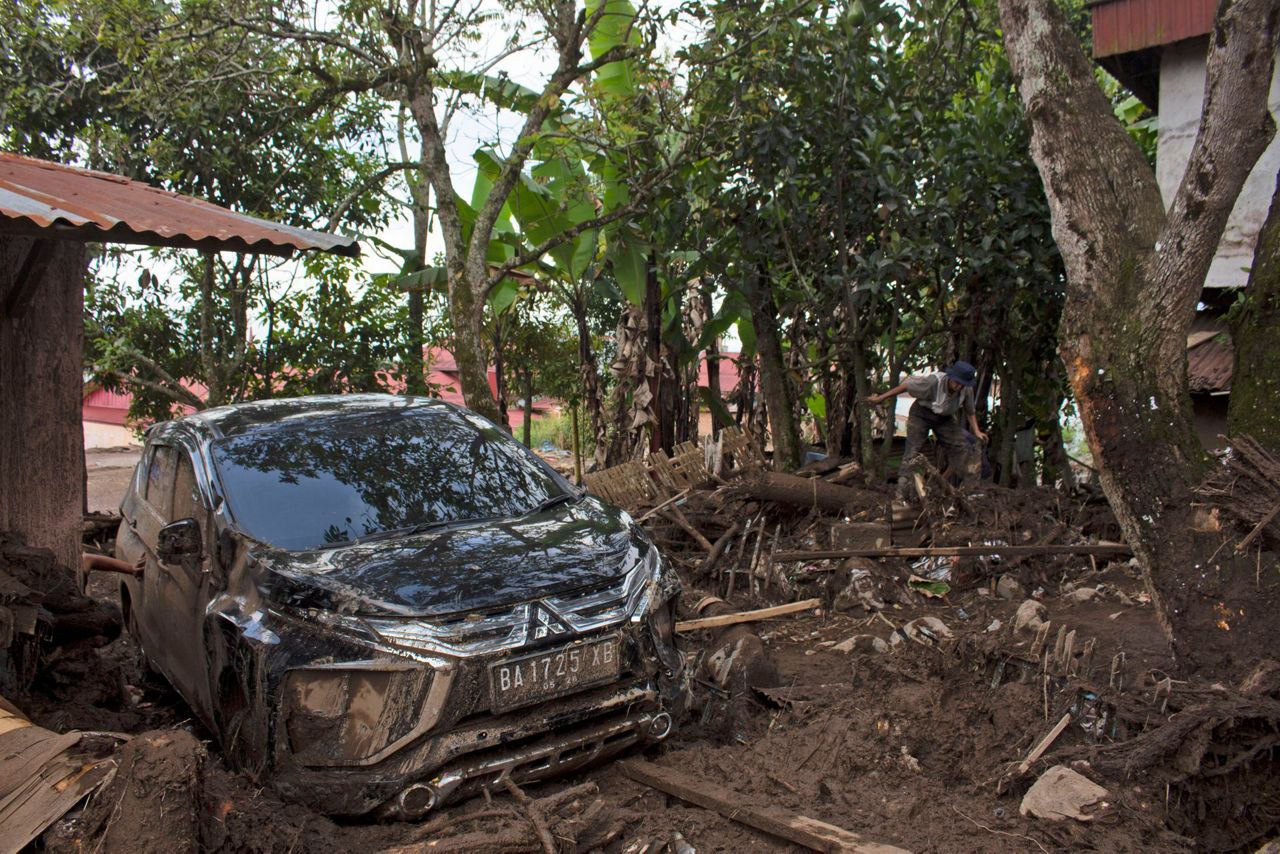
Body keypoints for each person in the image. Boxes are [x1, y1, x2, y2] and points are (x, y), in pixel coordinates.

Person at [866, 361, 987, 499]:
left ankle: (970, 491)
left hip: (945, 419)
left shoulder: (966, 390)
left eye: (962, 384)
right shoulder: (933, 382)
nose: (959, 386)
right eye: (956, 383)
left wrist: (976, 431)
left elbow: (970, 411)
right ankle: (902, 491)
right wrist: (880, 398)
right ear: (950, 377)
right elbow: (906, 386)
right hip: (921, 414)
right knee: (912, 451)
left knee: (962, 449)